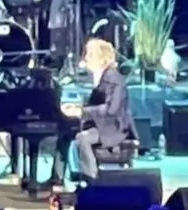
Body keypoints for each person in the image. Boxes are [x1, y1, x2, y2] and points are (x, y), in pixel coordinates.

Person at [53, 38, 135, 185]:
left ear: (101, 57)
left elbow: (112, 109)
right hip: (101, 124)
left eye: (90, 54)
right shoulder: (101, 76)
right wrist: (76, 109)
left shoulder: (113, 78)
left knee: (82, 138)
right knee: (65, 134)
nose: (86, 58)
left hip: (115, 127)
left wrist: (83, 112)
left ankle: (91, 179)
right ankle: (56, 178)